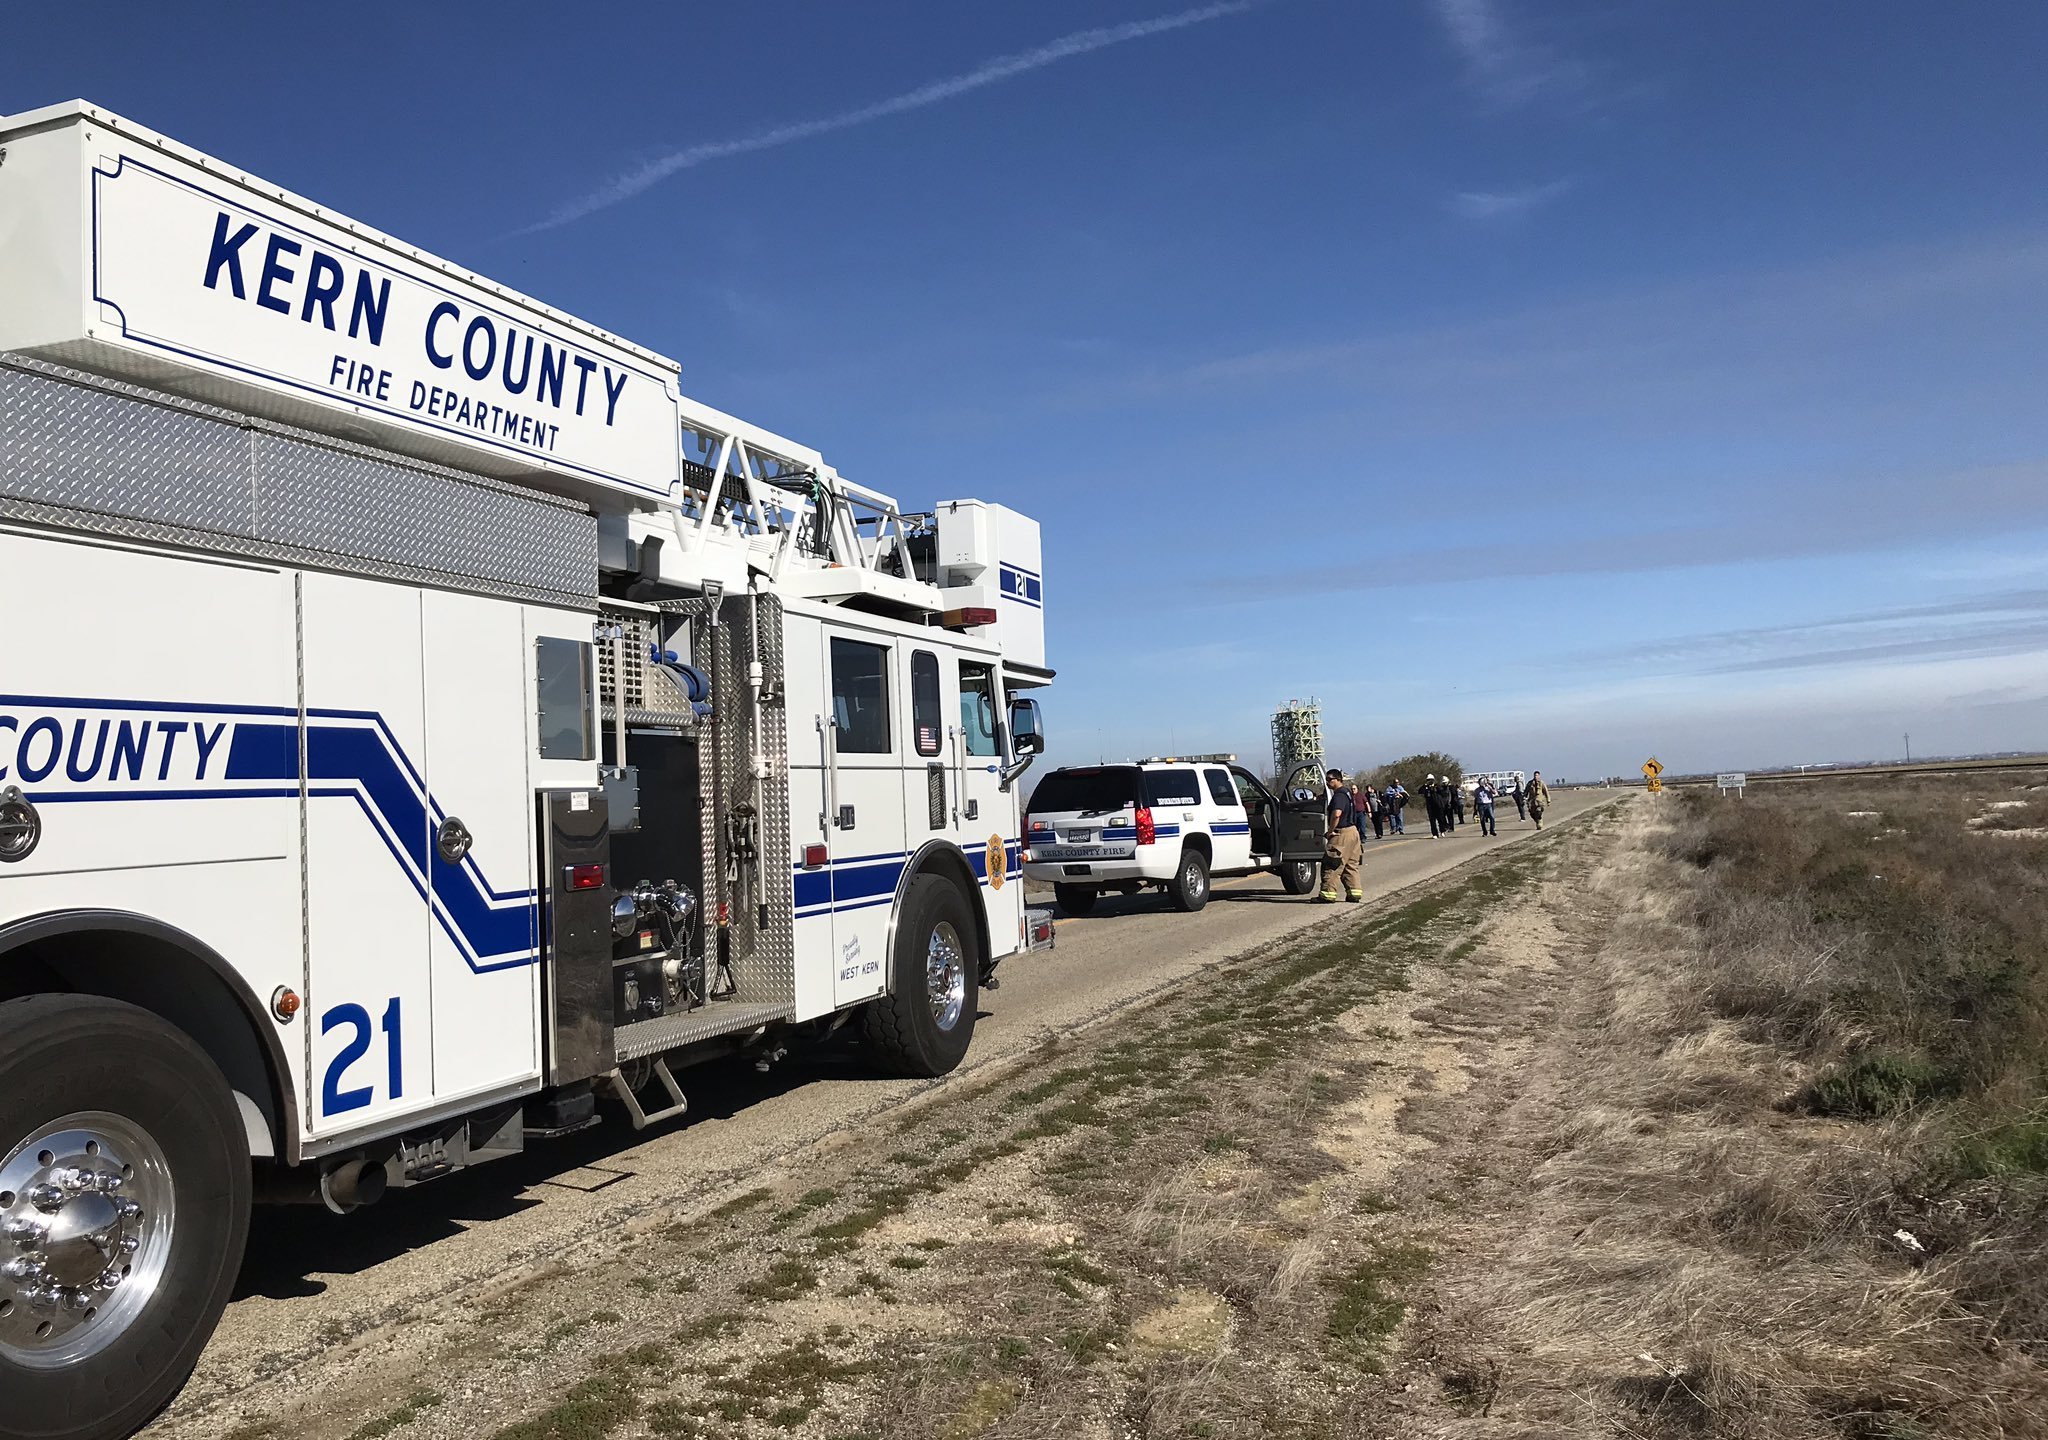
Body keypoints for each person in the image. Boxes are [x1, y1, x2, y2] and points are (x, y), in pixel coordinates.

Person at [1319, 768, 1363, 902]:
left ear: (1338, 779)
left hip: (1342, 833)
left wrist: (1331, 830)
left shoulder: (1339, 795)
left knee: (1332, 863)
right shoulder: (1348, 793)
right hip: (1353, 832)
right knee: (1351, 864)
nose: (1327, 783)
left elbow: (1337, 814)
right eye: (1326, 780)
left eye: (1329, 780)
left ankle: (1327, 895)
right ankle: (1354, 893)